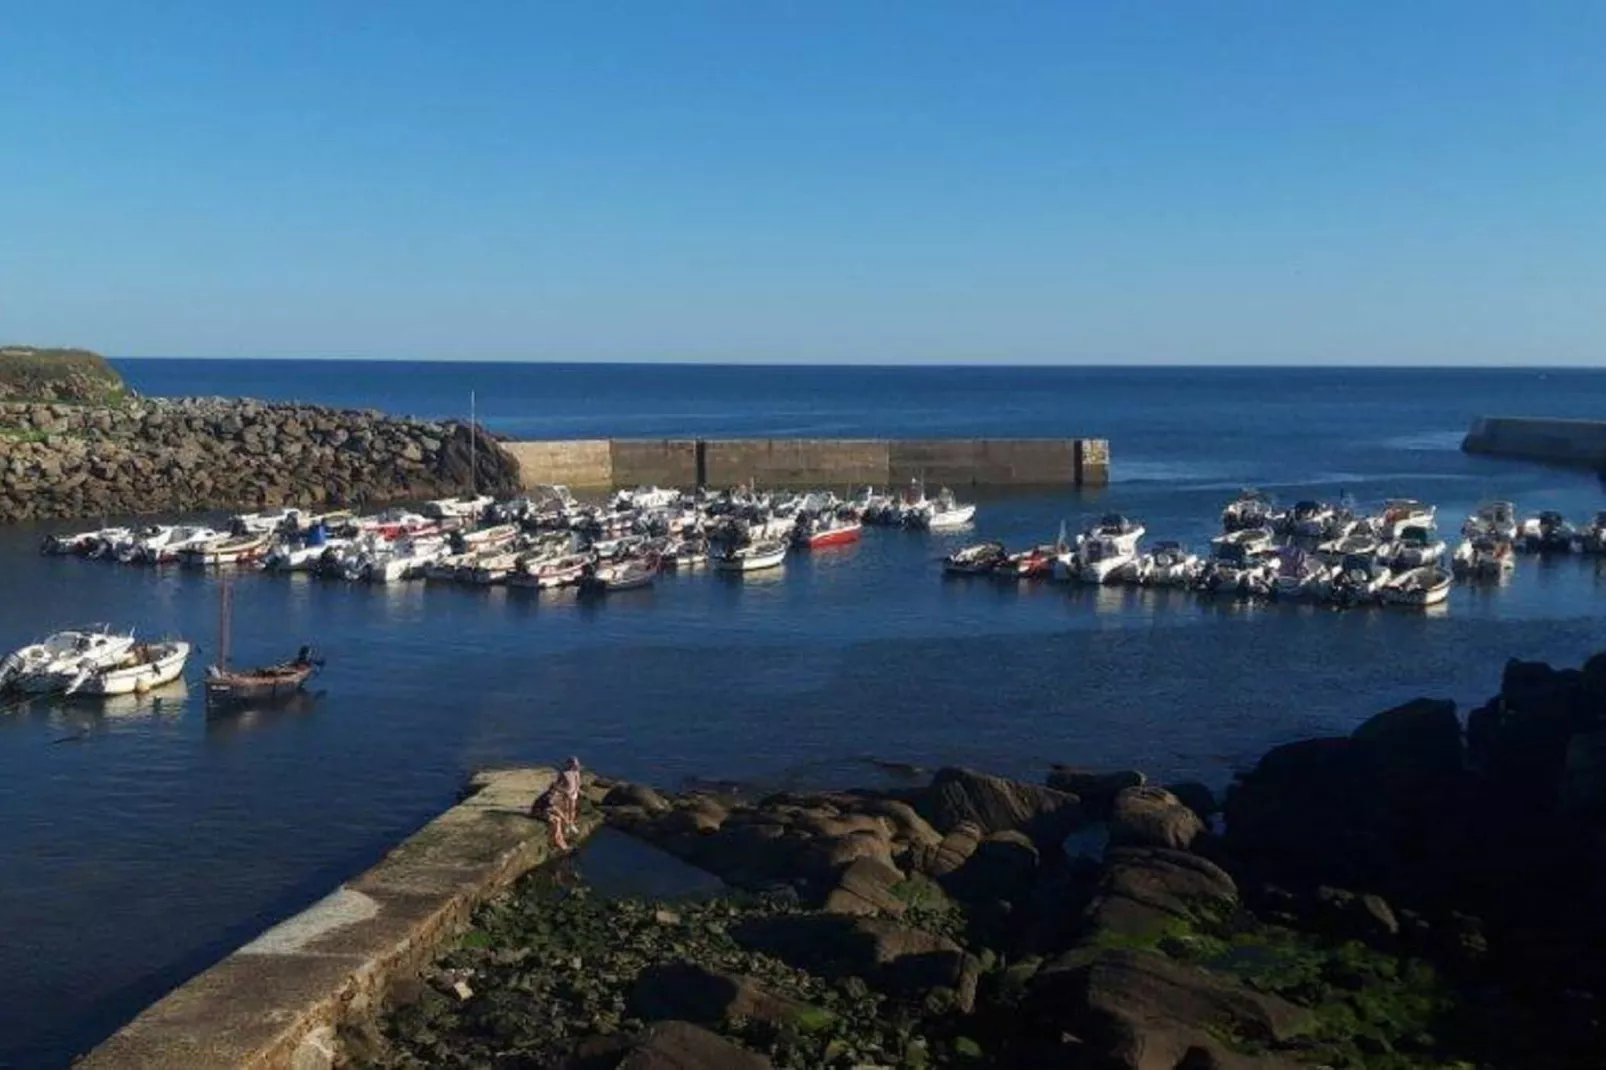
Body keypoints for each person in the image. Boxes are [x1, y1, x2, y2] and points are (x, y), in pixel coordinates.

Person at [530, 782, 568, 851]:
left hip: (542, 810)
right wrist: (564, 818)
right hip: (538, 812)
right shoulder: (548, 797)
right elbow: (554, 808)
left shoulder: (548, 795)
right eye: (557, 792)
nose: (558, 794)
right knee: (557, 820)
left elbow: (552, 808)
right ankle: (557, 838)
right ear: (553, 790)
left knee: (558, 819)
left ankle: (559, 836)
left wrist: (563, 817)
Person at [559, 756, 583, 836]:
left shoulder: (576, 772)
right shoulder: (564, 773)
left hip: (573, 793)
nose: (575, 766)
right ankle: (566, 825)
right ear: (569, 764)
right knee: (565, 809)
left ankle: (571, 824)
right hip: (565, 793)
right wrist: (564, 792)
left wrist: (575, 791)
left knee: (572, 809)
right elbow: (558, 784)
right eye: (574, 764)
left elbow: (578, 783)